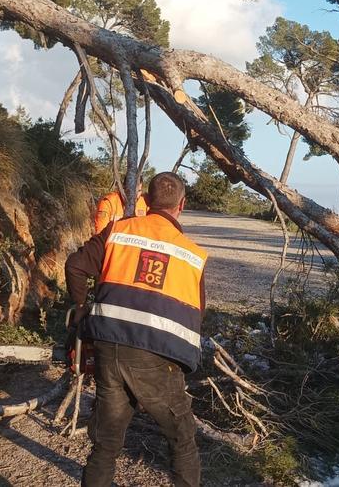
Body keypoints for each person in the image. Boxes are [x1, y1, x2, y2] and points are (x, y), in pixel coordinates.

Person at [66, 172, 206, 487]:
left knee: (106, 444)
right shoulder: (192, 255)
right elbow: (198, 314)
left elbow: (75, 266)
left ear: (146, 201)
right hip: (157, 356)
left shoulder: (117, 232)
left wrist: (79, 313)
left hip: (109, 348)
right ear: (181, 205)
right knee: (182, 440)